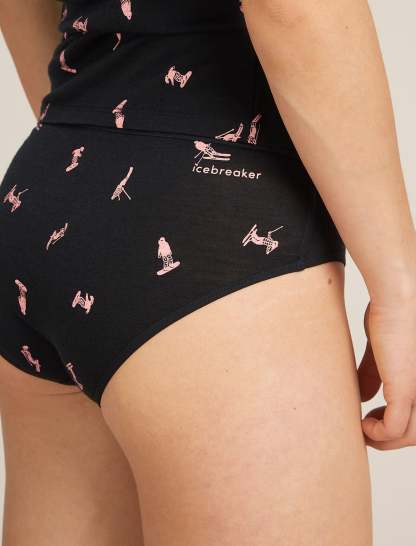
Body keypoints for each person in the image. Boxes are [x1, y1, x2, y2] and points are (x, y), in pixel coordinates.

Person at [0, 1, 415, 544]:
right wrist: (401, 293)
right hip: (212, 223)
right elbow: (291, 8)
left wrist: (90, 159)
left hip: (47, 186)